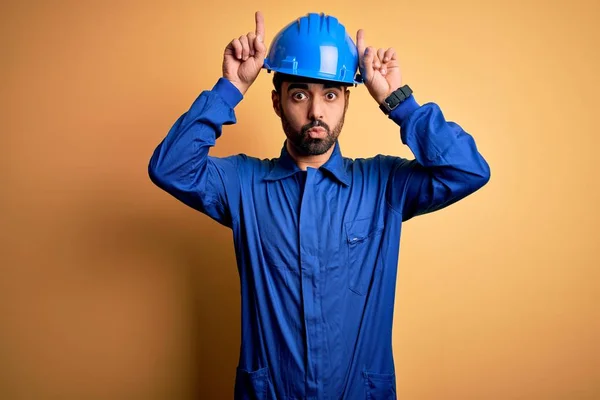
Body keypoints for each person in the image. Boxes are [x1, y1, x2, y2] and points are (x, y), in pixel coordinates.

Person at [148, 10, 490, 400]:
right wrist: (231, 87)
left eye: (330, 95)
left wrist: (399, 103)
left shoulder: (384, 184)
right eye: (299, 94)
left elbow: (467, 171)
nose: (316, 111)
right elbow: (170, 167)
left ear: (347, 99)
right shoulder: (243, 184)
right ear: (276, 102)